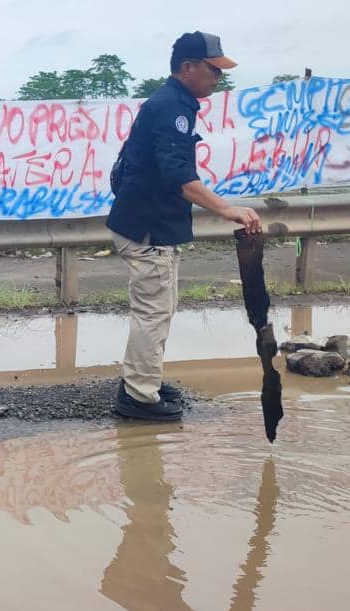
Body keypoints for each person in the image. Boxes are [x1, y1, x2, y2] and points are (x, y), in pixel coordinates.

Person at [107, 31, 261, 421]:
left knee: (160, 308)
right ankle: (138, 397)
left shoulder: (176, 102)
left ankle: (144, 379)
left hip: (152, 223)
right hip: (147, 228)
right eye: (213, 69)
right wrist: (225, 209)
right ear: (187, 68)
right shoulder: (171, 107)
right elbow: (179, 175)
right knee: (153, 311)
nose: (218, 78)